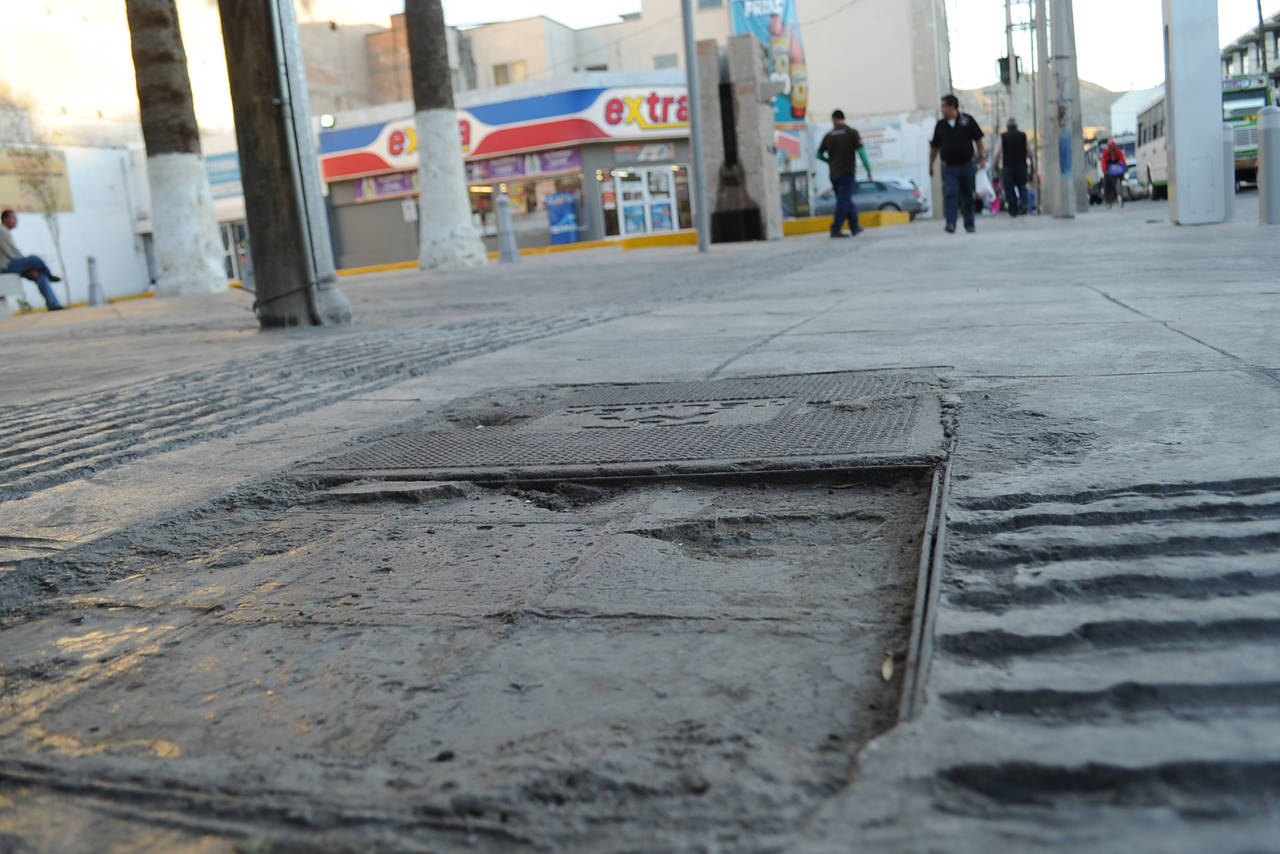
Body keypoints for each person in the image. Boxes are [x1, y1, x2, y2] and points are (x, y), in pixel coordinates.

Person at [929, 94, 986, 234]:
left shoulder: (967, 120)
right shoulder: (940, 125)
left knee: (968, 195)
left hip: (967, 165)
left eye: (943, 106)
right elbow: (934, 147)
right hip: (949, 167)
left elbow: (978, 140)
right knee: (951, 193)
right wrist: (930, 164)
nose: (942, 109)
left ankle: (969, 224)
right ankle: (950, 224)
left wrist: (982, 158)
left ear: (952, 106)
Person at [818, 109, 873, 238]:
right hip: (847, 173)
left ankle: (854, 226)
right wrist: (868, 170)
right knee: (844, 201)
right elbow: (862, 153)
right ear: (843, 118)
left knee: (844, 199)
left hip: (833, 174)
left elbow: (818, 155)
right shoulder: (851, 132)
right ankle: (836, 228)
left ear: (833, 119)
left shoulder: (829, 135)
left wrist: (830, 162)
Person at [0, 209, 63, 311]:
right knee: (34, 259)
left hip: (13, 265)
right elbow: (12, 253)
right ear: (4, 219)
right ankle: (49, 275)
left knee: (40, 276)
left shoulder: (5, 232)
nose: (16, 221)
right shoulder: (1, 231)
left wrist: (28, 268)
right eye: (13, 218)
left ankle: (53, 304)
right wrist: (27, 266)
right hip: (6, 266)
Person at [993, 118, 1033, 217]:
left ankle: (1013, 210)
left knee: (1009, 189)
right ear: (1016, 126)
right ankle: (1023, 203)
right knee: (1022, 187)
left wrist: (996, 166)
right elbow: (1031, 152)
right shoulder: (1023, 135)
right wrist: (1032, 166)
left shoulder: (1003, 136)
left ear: (1007, 127)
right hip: (1022, 166)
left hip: (1008, 166)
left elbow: (996, 153)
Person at [1100, 139, 1128, 207]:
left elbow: (1122, 160)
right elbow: (1103, 162)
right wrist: (1104, 170)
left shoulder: (1118, 152)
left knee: (1122, 177)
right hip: (1109, 170)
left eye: (1113, 147)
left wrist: (1125, 166)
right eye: (1110, 147)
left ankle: (1120, 193)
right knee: (1107, 182)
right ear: (1108, 148)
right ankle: (1107, 198)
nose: (1112, 149)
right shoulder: (1105, 153)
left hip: (1117, 169)